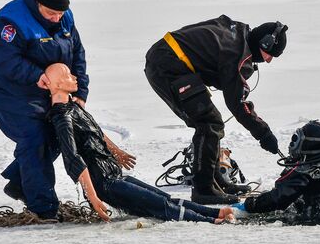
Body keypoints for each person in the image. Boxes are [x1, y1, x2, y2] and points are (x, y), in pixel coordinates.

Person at [45, 63, 234, 224]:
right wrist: (93, 197)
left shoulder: (74, 108)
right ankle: (212, 222)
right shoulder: (62, 117)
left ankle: (214, 213)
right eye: (68, 75)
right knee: (162, 206)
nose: (74, 77)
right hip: (104, 184)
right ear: (57, 84)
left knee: (164, 198)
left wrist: (116, 151)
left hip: (114, 175)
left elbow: (96, 131)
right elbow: (73, 159)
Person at [0, 0, 89, 220]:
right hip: (4, 90)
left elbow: (77, 53)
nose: (57, 18)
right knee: (34, 137)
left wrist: (79, 92)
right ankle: (43, 208)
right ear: (37, 3)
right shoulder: (10, 21)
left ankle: (19, 182)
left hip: (43, 88)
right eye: (50, 13)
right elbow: (3, 61)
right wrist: (37, 76)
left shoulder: (63, 16)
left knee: (61, 132)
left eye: (61, 12)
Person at [144, 15, 288, 205]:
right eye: (270, 54)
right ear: (264, 43)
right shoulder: (236, 53)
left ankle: (215, 182)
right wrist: (263, 133)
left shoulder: (238, 35)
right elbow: (236, 104)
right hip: (168, 65)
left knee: (211, 121)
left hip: (171, 59)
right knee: (209, 122)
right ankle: (203, 189)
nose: (268, 61)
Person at [235, 120, 320, 218]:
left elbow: (278, 198)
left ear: (307, 143)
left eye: (296, 139)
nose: (292, 143)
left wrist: (249, 205)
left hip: (317, 221)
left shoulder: (306, 170)